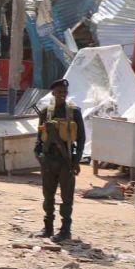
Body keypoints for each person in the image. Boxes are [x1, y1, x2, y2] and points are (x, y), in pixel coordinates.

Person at [34, 78, 86, 242]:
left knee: (67, 198)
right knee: (48, 196)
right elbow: (39, 138)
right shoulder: (45, 112)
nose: (62, 95)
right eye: (59, 92)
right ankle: (48, 227)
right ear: (53, 93)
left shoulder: (74, 112)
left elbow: (82, 138)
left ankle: (65, 230)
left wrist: (76, 161)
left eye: (64, 92)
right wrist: (39, 155)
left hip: (66, 161)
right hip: (49, 159)